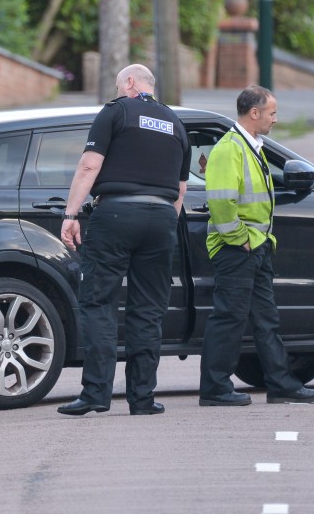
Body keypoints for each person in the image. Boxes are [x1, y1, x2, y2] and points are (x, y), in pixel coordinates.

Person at [57, 64, 191, 417]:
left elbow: (89, 166)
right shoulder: (175, 123)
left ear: (130, 83)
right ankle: (143, 398)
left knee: (99, 303)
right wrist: (161, 221)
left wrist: (71, 215)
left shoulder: (116, 111)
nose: (118, 92)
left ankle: (96, 396)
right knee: (148, 309)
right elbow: (180, 189)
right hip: (162, 219)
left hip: (116, 214)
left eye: (119, 86)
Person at [199, 85, 314, 406]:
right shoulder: (230, 149)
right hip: (237, 249)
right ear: (254, 114)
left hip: (255, 247)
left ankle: (281, 384)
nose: (276, 119)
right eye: (272, 113)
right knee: (229, 318)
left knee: (266, 319)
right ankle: (214, 389)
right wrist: (239, 238)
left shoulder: (250, 145)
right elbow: (221, 202)